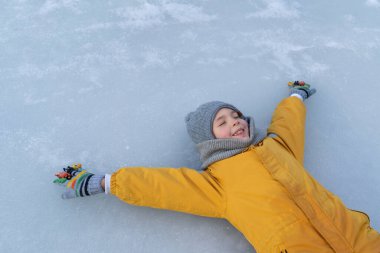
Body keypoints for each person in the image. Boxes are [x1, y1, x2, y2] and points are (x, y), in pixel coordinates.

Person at [54, 81, 380, 253]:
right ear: (207, 139)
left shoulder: (278, 146)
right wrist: (104, 182)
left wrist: (296, 96)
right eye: (222, 122)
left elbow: (289, 123)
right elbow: (162, 186)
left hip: (361, 239)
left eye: (236, 116)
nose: (235, 123)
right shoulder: (217, 183)